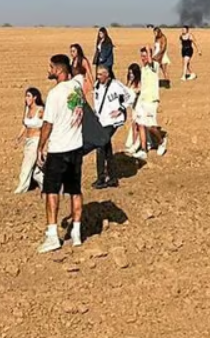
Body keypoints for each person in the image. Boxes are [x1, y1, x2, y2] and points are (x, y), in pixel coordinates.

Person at [36, 54, 86, 254]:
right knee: (75, 191)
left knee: (51, 192)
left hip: (58, 150)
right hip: (76, 148)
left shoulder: (55, 93)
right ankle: (77, 233)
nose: (48, 70)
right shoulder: (77, 88)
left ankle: (52, 236)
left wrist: (41, 146)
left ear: (58, 70)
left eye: (50, 67)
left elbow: (48, 124)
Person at [92, 65, 135, 189]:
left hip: (113, 121)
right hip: (102, 121)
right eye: (97, 74)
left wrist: (121, 109)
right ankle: (112, 177)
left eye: (100, 74)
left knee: (100, 145)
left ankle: (101, 178)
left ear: (107, 74)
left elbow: (131, 95)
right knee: (107, 148)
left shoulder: (116, 85)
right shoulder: (97, 85)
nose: (98, 76)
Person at [130, 47, 167, 160]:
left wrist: (148, 48)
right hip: (142, 100)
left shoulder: (154, 66)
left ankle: (161, 141)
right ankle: (143, 149)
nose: (143, 58)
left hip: (151, 101)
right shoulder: (143, 69)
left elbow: (151, 60)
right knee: (140, 124)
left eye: (145, 56)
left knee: (151, 126)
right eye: (141, 56)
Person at [14, 88, 45, 194]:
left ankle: (21, 188)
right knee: (36, 169)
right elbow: (25, 125)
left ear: (35, 97)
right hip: (28, 141)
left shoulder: (40, 110)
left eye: (29, 96)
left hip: (36, 141)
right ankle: (47, 186)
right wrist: (18, 137)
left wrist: (45, 142)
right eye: (26, 96)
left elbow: (47, 125)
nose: (26, 98)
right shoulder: (27, 109)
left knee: (26, 165)